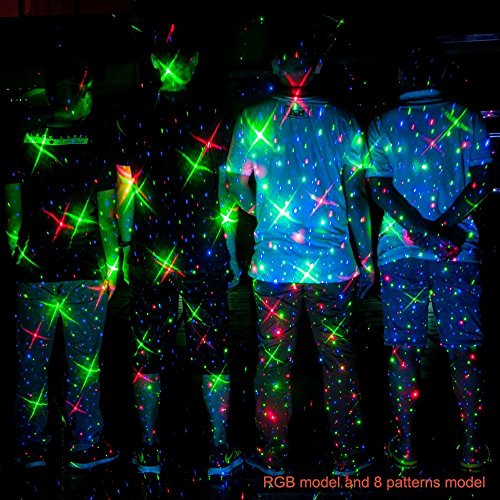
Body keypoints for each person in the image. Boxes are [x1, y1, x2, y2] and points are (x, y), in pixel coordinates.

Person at [225, 31, 375, 476]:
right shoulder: (343, 120)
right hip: (332, 266)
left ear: (275, 65)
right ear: (319, 65)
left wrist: (260, 209)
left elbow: (235, 184)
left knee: (274, 365)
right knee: (339, 363)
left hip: (274, 266)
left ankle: (272, 456)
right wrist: (366, 258)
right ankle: (346, 457)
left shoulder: (253, 119)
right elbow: (357, 197)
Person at [115, 20, 243, 478]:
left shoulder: (133, 116)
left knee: (148, 353)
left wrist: (124, 248)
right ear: (193, 61)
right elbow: (225, 191)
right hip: (204, 249)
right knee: (212, 351)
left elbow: (125, 192)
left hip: (151, 252)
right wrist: (231, 251)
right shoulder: (214, 114)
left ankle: (150, 449)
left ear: (155, 60)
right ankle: (219, 450)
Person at [366, 39, 494, 472]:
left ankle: (405, 448)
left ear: (402, 74)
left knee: (404, 350)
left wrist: (422, 233)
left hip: (400, 254)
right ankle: (472, 448)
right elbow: (480, 184)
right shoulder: (466, 118)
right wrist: (444, 232)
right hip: (459, 252)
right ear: (440, 72)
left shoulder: (383, 124)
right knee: (464, 350)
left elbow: (380, 190)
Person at [4, 55, 121, 470]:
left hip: (33, 273)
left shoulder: (24, 140)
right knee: (84, 363)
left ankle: (31, 445)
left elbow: (12, 215)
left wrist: (17, 259)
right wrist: (113, 266)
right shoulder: (96, 142)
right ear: (80, 95)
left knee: (31, 362)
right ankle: (85, 443)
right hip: (85, 271)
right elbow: (106, 215)